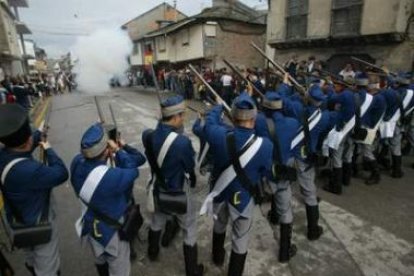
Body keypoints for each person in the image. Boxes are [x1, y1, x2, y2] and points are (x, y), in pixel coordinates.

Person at [202, 92, 273, 275]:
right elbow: (265, 172)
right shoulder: (265, 145)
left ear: (232, 117)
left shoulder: (218, 134)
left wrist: (218, 106)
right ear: (254, 117)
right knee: (240, 238)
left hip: (219, 192)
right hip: (243, 198)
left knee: (219, 225)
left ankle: (217, 257)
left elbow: (209, 122)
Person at [0, 104, 69, 276]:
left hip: (16, 222)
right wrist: (49, 148)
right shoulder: (30, 170)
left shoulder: (5, 155)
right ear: (27, 139)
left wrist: (38, 134)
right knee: (48, 269)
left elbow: (21, 149)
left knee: (30, 256)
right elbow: (61, 174)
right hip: (39, 223)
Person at [70, 123, 146, 276]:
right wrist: (119, 150)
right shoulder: (111, 176)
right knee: (119, 269)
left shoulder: (76, 163)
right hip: (112, 232)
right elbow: (133, 170)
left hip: (91, 226)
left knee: (100, 261)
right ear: (107, 150)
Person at [142, 95, 204, 276]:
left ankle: (152, 253)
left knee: (156, 221)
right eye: (182, 116)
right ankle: (192, 272)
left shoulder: (149, 135)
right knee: (189, 228)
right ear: (176, 117)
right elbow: (190, 167)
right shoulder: (182, 142)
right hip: (178, 190)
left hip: (159, 188)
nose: (183, 119)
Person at [255, 91, 300, 263]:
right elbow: (295, 112)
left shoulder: (258, 121)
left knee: (272, 191)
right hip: (283, 170)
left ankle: (273, 215)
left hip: (265, 170)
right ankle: (284, 251)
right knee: (285, 209)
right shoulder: (292, 122)